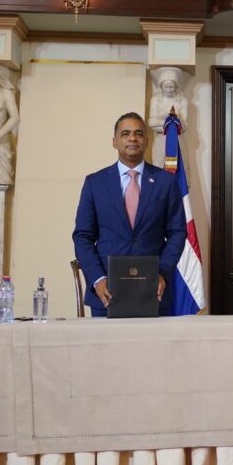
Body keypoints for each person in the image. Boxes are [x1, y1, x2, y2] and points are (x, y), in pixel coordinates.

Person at [73, 112, 187, 316]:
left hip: (153, 293)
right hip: (106, 295)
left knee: (153, 349)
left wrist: (162, 273)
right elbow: (83, 236)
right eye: (125, 133)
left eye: (138, 133)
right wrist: (98, 278)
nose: (132, 138)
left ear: (146, 141)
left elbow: (178, 233)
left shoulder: (165, 182)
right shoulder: (95, 183)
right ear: (115, 141)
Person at [148, 67, 190, 134]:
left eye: (171, 87)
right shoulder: (155, 100)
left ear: (176, 87)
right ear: (161, 86)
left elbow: (183, 126)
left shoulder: (182, 101)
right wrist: (173, 123)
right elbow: (151, 124)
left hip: (177, 138)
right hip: (160, 139)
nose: (168, 90)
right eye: (166, 87)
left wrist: (158, 122)